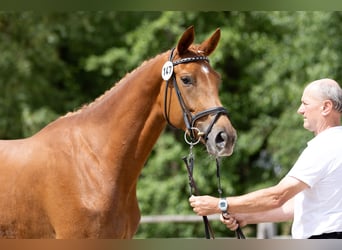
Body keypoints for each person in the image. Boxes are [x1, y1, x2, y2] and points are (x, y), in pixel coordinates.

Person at [189, 78, 342, 239]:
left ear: (326, 107)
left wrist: (220, 204)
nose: (300, 110)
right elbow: (298, 206)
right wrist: (247, 216)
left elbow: (277, 196)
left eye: (306, 103)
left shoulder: (324, 147)